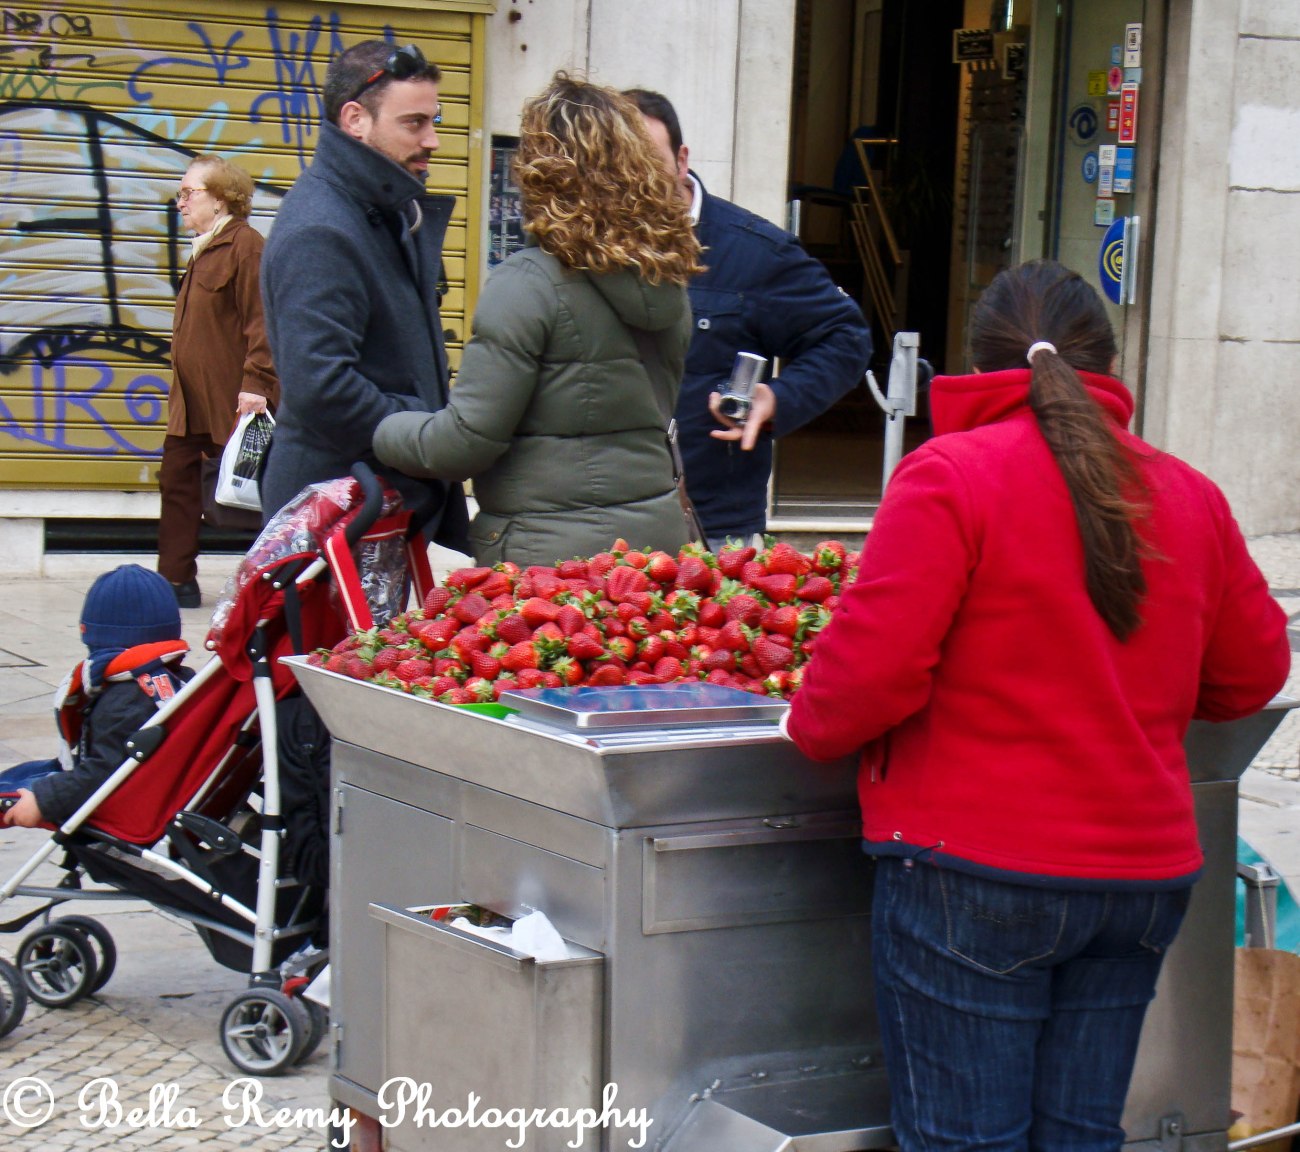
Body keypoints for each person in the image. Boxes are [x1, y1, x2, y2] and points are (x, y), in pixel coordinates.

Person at [782, 260, 1290, 1152]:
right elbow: (1251, 674)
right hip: (1139, 884)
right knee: (1082, 1138)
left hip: (974, 875)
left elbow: (865, 680)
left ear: (976, 365)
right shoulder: (1189, 492)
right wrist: (1144, 688)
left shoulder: (951, 474)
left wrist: (805, 722)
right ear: (1110, 363)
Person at [373, 72, 702, 566]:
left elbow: (462, 444)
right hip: (655, 550)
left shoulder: (527, 283)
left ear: (540, 172)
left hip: (549, 563)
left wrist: (381, 426)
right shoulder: (665, 277)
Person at [625, 89, 873, 548]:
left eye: (647, 164)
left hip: (714, 524)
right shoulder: (587, 250)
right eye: (618, 167)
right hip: (600, 519)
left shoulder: (756, 252)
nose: (634, 181)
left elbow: (845, 337)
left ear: (681, 161)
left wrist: (778, 399)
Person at [258, 40, 469, 553]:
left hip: (372, 506)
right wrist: (425, 433)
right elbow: (321, 385)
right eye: (414, 123)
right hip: (335, 518)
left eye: (434, 120)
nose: (433, 140)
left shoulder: (379, 210)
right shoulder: (322, 227)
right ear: (355, 119)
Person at [159, 155, 278, 609]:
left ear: (222, 198)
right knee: (178, 482)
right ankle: (175, 581)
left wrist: (257, 383)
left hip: (233, 399)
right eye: (180, 193)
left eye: (189, 193)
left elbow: (263, 322)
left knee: (247, 492)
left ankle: (270, 581)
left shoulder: (246, 247)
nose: (181, 202)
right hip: (190, 402)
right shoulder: (204, 247)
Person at [0, 566, 190, 829]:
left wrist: (43, 801)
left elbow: (104, 771)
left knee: (13, 789)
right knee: (21, 775)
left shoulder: (128, 698)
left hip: (115, 802)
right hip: (146, 789)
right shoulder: (176, 681)